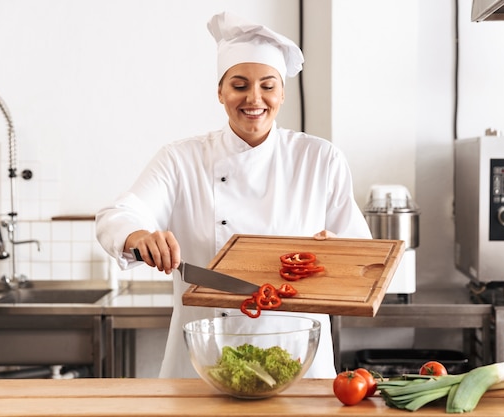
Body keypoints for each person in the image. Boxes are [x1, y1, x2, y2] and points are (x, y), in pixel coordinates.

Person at [95, 11, 372, 379]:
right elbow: (117, 214)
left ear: (282, 93)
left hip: (298, 364)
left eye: (268, 86)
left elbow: (362, 260)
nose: (254, 98)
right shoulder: (182, 159)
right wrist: (140, 236)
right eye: (239, 85)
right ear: (220, 92)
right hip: (202, 364)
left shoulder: (320, 159)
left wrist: (335, 255)